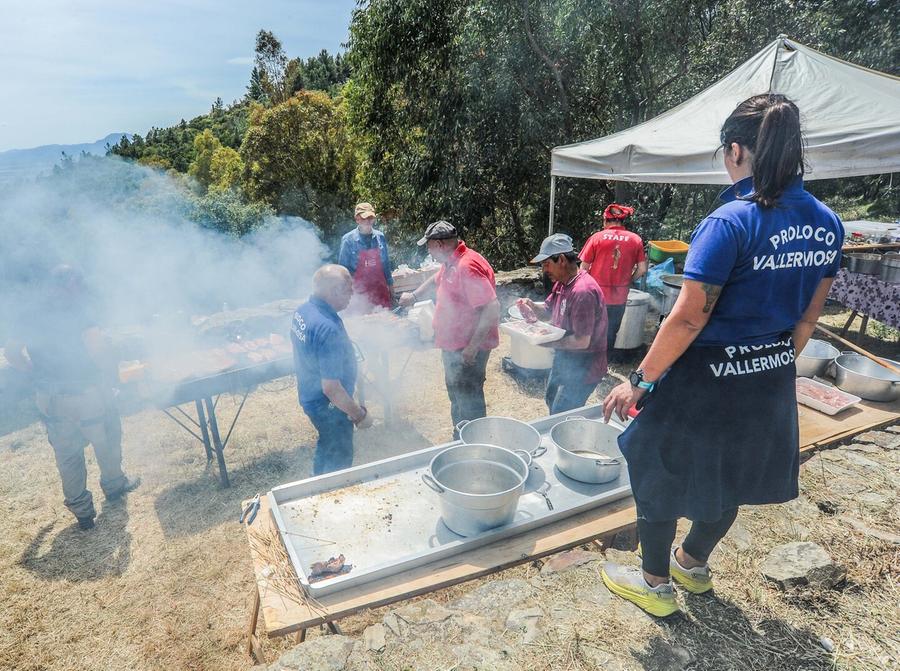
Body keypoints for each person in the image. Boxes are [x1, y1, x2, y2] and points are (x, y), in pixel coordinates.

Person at [599, 94, 843, 617]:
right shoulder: (828, 223)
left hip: (704, 377)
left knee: (657, 469)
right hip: (770, 375)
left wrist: (638, 380)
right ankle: (693, 561)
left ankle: (655, 582)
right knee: (735, 473)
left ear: (736, 150)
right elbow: (807, 319)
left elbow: (688, 317)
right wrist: (766, 362)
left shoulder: (730, 221)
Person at [4, 266, 139, 531]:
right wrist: (110, 372)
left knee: (67, 455)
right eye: (79, 283)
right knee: (107, 436)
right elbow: (96, 349)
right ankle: (114, 486)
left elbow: (10, 352)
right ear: (71, 285)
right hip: (85, 392)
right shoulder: (79, 309)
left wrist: (35, 373)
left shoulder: (32, 312)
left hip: (51, 398)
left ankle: (83, 514)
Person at [399, 221, 500, 438]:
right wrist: (414, 295)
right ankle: (460, 437)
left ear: (440, 244)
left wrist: (472, 348)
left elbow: (492, 308)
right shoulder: (452, 261)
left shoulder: (467, 266)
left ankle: (474, 443)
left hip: (467, 348)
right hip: (455, 345)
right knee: (457, 394)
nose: (428, 251)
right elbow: (436, 280)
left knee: (468, 399)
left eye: (429, 246)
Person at [291, 265, 374, 475]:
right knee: (339, 460)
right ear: (332, 292)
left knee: (327, 443)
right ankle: (329, 496)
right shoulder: (328, 328)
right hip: (328, 406)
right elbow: (331, 388)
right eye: (348, 289)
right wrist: (358, 415)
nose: (352, 294)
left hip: (311, 398)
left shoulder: (303, 311)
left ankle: (315, 483)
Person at [518, 234, 608, 414]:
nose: (544, 269)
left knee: (562, 414)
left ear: (561, 260)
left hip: (584, 366)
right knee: (551, 399)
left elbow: (582, 341)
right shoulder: (562, 283)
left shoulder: (583, 292)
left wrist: (544, 342)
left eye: (546, 263)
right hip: (565, 358)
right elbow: (548, 311)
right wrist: (531, 306)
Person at [579, 204, 648, 352]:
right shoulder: (635, 239)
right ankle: (604, 366)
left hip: (596, 296)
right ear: (622, 221)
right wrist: (628, 281)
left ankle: (587, 368)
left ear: (605, 220)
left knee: (591, 333)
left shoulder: (596, 238)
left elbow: (583, 269)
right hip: (619, 297)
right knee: (610, 334)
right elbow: (642, 269)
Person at [338, 202, 394, 313]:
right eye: (364, 218)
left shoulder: (380, 237)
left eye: (371, 217)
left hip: (380, 292)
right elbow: (343, 272)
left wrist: (391, 290)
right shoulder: (348, 240)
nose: (368, 221)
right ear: (357, 219)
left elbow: (386, 266)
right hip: (359, 296)